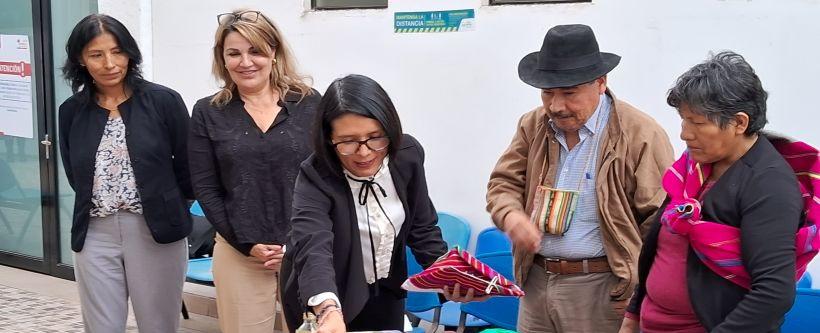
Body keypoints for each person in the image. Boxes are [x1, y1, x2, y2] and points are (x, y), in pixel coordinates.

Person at [485, 24, 674, 333]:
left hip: (603, 287)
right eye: (548, 93)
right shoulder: (533, 125)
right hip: (536, 281)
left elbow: (659, 218)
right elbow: (503, 183)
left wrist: (637, 289)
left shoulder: (640, 133)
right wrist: (511, 215)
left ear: (601, 83)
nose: (556, 106)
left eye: (569, 93)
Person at [621, 51, 811, 333]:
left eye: (697, 123)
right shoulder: (692, 168)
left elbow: (773, 293)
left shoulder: (768, 185)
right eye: (683, 120)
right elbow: (661, 246)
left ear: (739, 123)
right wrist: (633, 314)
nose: (684, 133)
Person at [280, 74, 482, 333]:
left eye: (375, 137)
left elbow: (422, 229)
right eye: (348, 141)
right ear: (329, 140)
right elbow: (313, 246)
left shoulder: (407, 155)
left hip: (385, 289)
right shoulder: (315, 175)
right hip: (327, 294)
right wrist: (328, 309)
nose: (364, 152)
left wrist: (450, 277)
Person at [187, 9, 319, 333]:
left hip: (304, 250)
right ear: (223, 58)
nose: (245, 62)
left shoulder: (309, 103)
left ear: (273, 53)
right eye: (234, 53)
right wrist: (248, 245)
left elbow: (323, 179)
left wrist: (292, 243)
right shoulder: (208, 111)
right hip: (238, 251)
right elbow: (205, 188)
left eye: (255, 51)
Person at [58, 14, 192, 332]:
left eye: (117, 51)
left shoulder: (164, 101)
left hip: (155, 230)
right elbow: (75, 174)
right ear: (80, 59)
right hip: (94, 234)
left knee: (158, 325)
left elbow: (188, 170)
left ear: (130, 52)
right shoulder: (71, 111)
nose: (109, 63)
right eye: (96, 54)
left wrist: (169, 209)